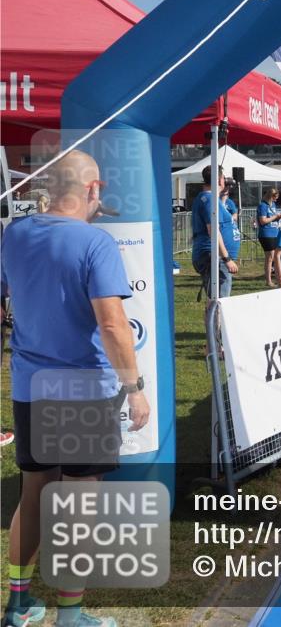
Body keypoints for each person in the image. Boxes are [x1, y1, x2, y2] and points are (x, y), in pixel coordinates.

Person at [1, 150, 150, 627]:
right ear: (92, 189)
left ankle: (18, 604)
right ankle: (70, 614)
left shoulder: (15, 233)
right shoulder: (95, 242)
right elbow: (113, 324)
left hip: (30, 386)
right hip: (84, 388)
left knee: (34, 493)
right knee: (80, 502)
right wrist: (135, 387)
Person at [192, 166, 239, 298]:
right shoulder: (209, 200)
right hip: (215, 257)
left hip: (216, 256)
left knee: (215, 300)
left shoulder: (211, 199)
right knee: (220, 301)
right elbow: (213, 231)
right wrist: (226, 258)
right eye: (223, 178)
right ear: (219, 180)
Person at [257, 187, 281, 288]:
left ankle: (277, 278)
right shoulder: (263, 206)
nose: (276, 199)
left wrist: (280, 217)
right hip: (266, 234)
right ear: (270, 196)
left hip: (275, 233)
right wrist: (275, 217)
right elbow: (263, 221)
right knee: (270, 257)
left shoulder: (273, 205)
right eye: (275, 197)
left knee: (274, 257)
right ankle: (268, 281)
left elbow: (272, 219)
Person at [220, 183, 241, 263]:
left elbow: (235, 215)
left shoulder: (229, 202)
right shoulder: (216, 201)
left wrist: (229, 218)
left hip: (229, 228)